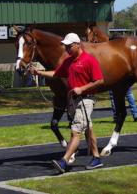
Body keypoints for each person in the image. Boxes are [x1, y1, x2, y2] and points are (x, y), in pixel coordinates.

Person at [30, 33, 104, 174]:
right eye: (66, 46)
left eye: (69, 46)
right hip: (74, 100)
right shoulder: (68, 61)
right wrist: (39, 73)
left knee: (75, 131)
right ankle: (96, 158)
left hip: (85, 99)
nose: (67, 49)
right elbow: (56, 73)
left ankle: (64, 161)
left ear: (77, 44)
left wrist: (81, 88)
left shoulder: (89, 60)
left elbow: (99, 80)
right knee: (88, 128)